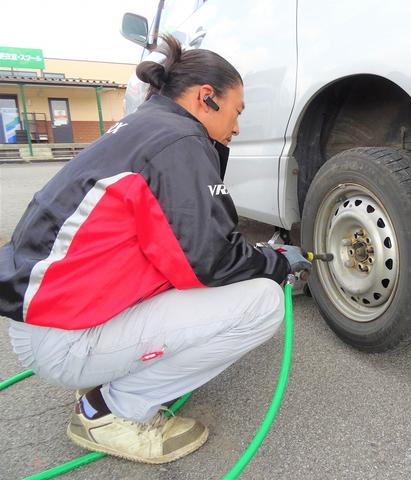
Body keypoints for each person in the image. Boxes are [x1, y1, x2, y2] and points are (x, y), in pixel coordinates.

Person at [0, 35, 310, 464]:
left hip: (51, 317)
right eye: (237, 112)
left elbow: (184, 247)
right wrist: (273, 264)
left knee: (214, 288)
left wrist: (252, 254)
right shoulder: (179, 141)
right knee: (262, 303)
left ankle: (109, 376)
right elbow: (211, 259)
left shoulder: (146, 128)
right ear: (207, 98)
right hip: (63, 337)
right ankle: (109, 411)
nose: (236, 127)